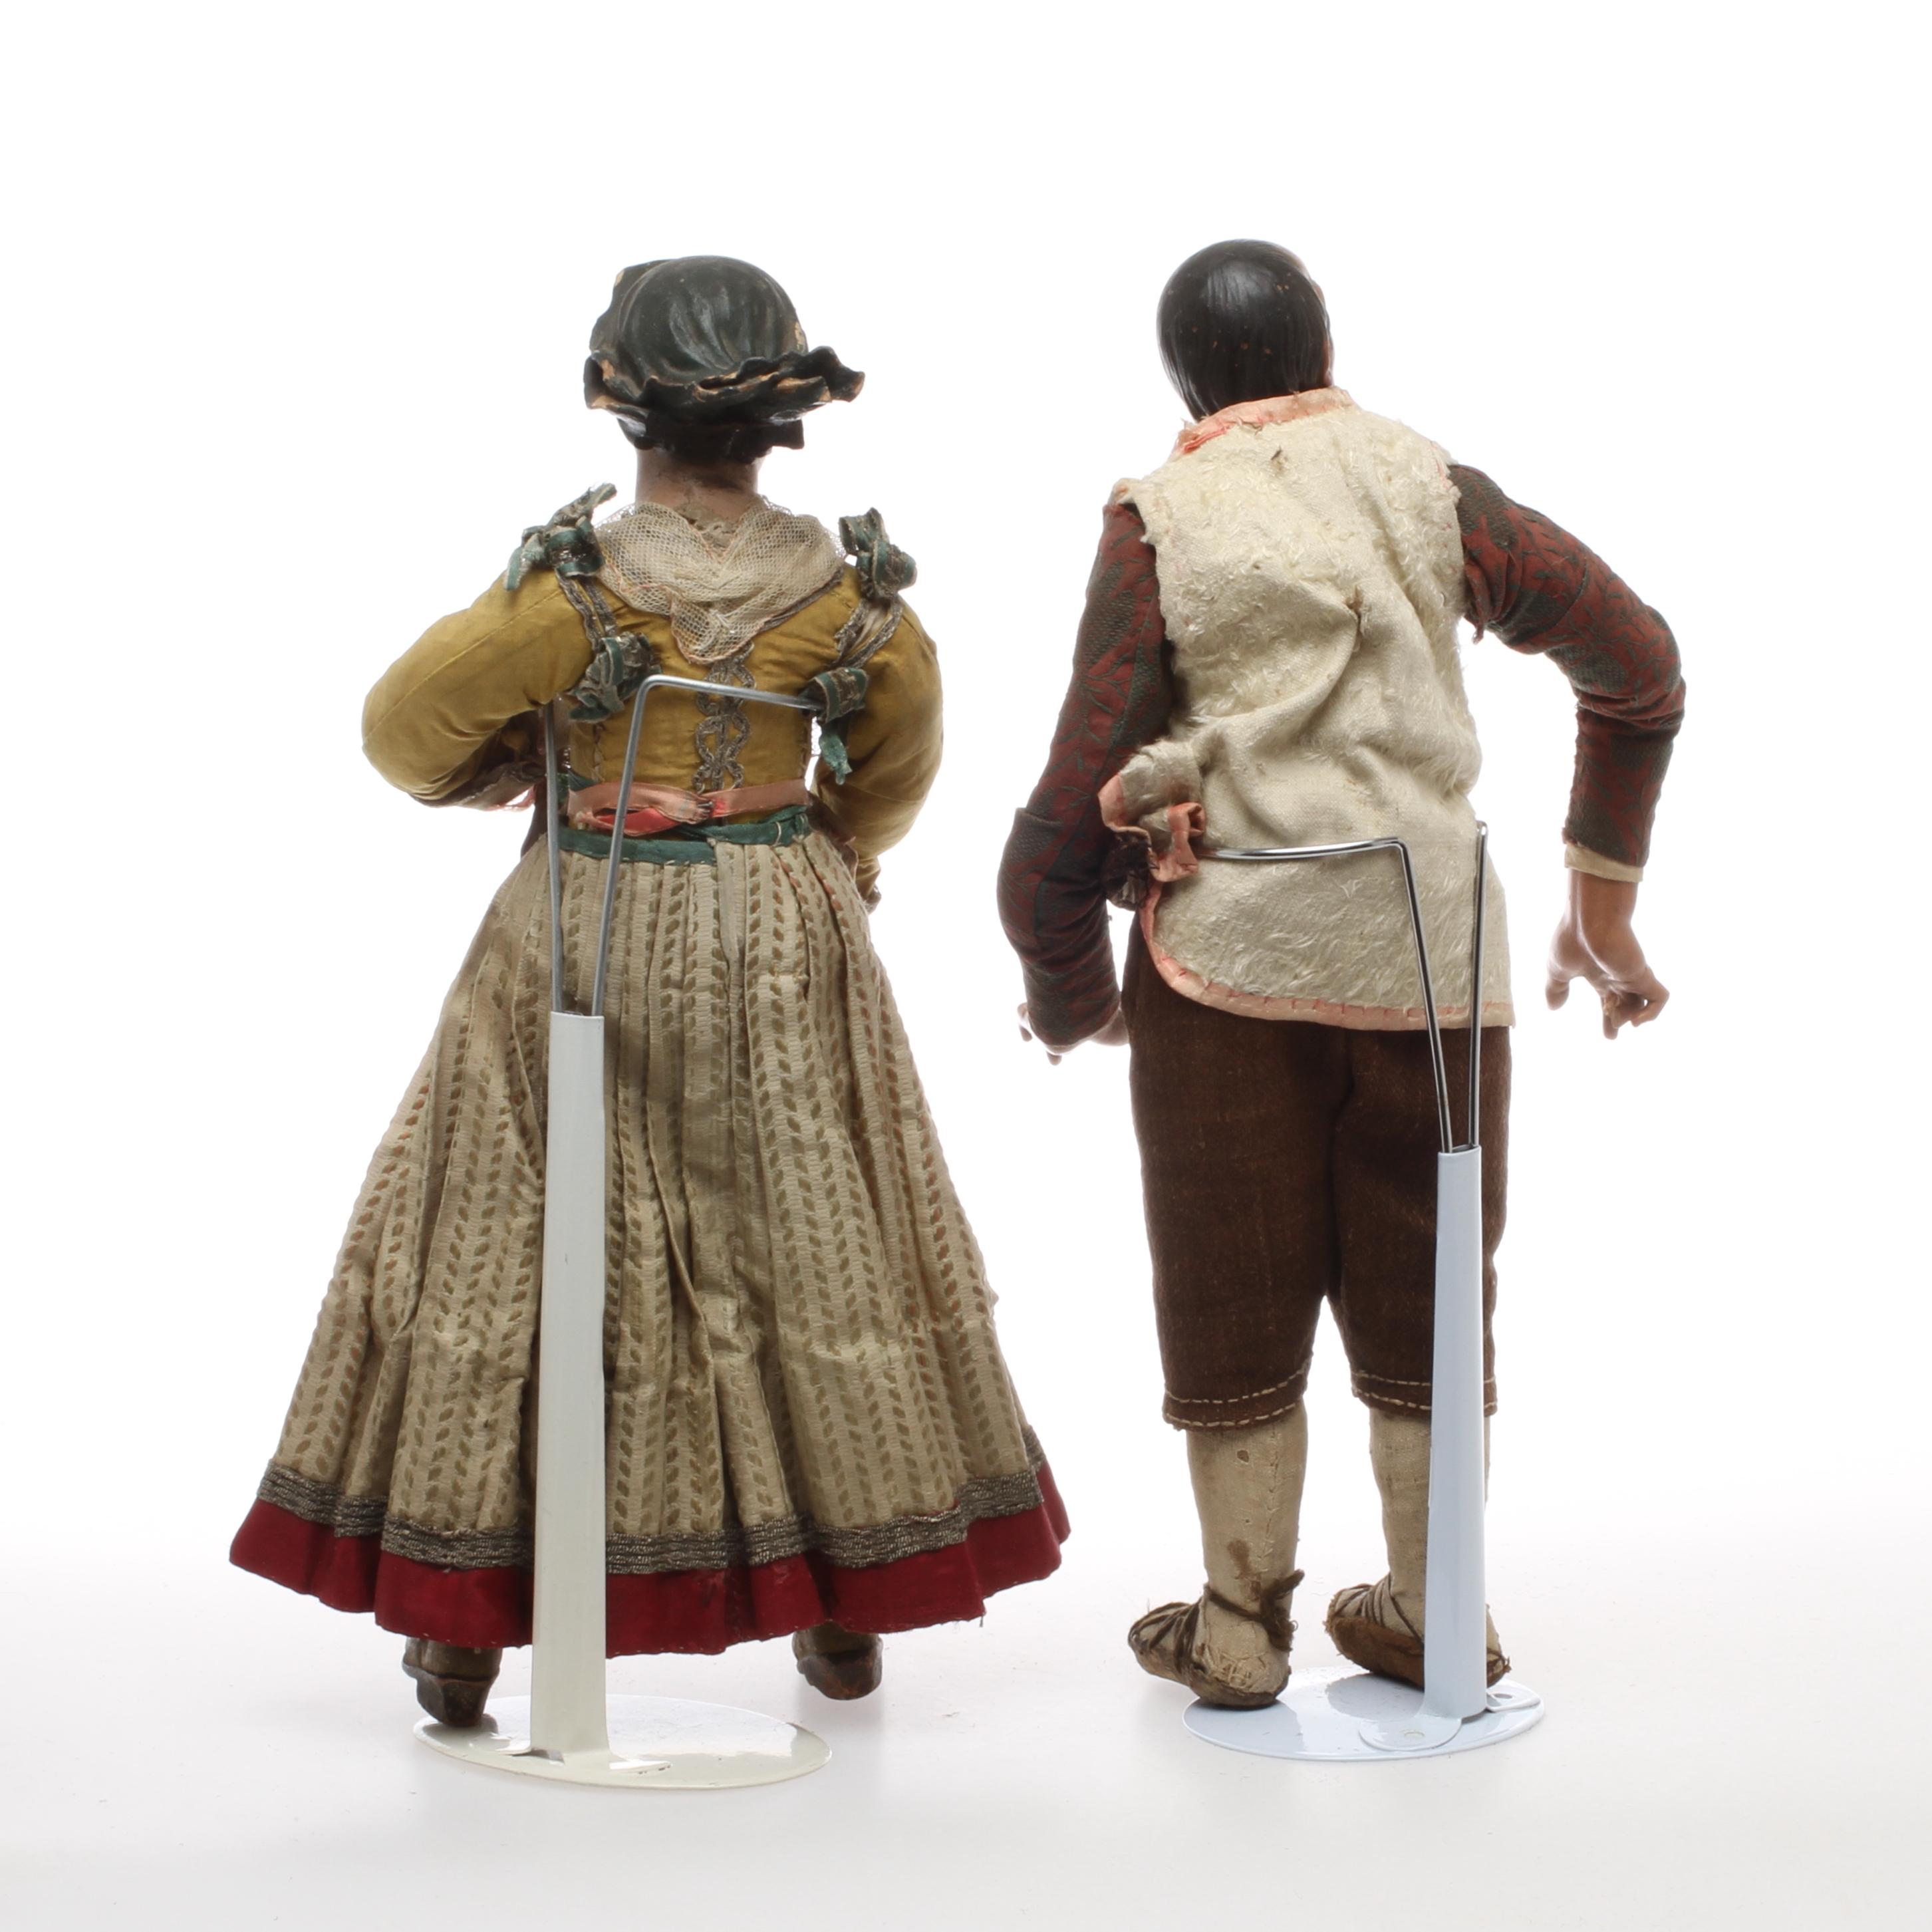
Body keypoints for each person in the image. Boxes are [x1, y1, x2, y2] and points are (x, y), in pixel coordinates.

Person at [233, 255, 1067, 1724]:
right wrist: (818, 848)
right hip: (783, 927)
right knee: (817, 1231)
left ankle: (465, 1619)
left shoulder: (568, 593)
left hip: (586, 920)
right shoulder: (851, 597)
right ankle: (846, 1600)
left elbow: (403, 731)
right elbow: (896, 769)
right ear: (778, 420)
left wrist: (519, 763)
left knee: (511, 1232)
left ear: (621, 406)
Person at [998, 239, 1680, 1708]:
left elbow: (1073, 791)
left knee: (1227, 1285)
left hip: (1227, 964)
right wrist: (1600, 904)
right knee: (1437, 1284)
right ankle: (1436, 1609)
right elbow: (1637, 666)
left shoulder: (1160, 518)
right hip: (1435, 959)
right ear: (1325, 344)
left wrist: (1071, 994)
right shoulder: (1436, 490)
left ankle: (1239, 1625)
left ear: (1183, 377)